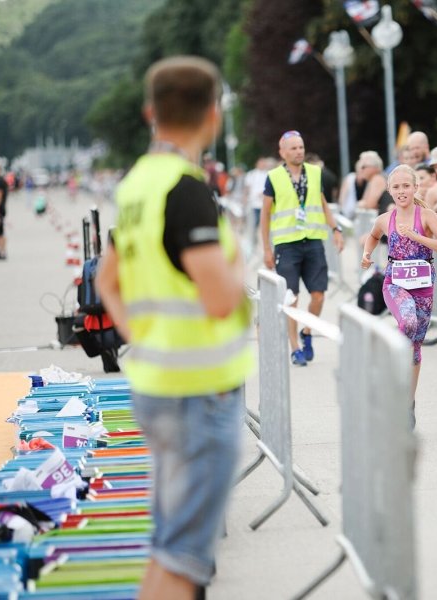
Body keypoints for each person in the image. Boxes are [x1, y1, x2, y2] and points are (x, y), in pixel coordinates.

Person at [95, 56, 254, 600]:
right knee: (182, 561)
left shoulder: (138, 184)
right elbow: (217, 297)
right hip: (201, 391)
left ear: (149, 114)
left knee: (169, 546)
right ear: (214, 116)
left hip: (159, 381)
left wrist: (143, 335)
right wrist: (240, 269)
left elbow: (105, 278)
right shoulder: (186, 189)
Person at [360, 165, 437, 426]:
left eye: (406, 186)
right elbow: (372, 236)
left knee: (414, 348)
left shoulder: (426, 216)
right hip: (395, 283)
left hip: (423, 286)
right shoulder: (384, 219)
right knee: (408, 323)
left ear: (415, 188)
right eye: (396, 187)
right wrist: (366, 255)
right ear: (389, 190)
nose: (401, 191)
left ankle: (407, 404)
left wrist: (417, 237)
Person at [261, 130, 345, 366]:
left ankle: (306, 332)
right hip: (287, 245)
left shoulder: (315, 173)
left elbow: (322, 203)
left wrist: (336, 229)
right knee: (291, 299)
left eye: (301, 147)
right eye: (293, 148)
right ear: (282, 152)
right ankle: (295, 348)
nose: (299, 151)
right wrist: (266, 250)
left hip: (314, 241)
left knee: (318, 296)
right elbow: (265, 215)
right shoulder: (274, 177)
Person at [243, 157, 272, 244]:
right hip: (254, 203)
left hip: (265, 203)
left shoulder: (269, 174)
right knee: (254, 224)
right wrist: (245, 198)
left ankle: (265, 240)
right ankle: (253, 241)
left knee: (265, 224)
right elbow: (247, 188)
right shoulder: (251, 174)